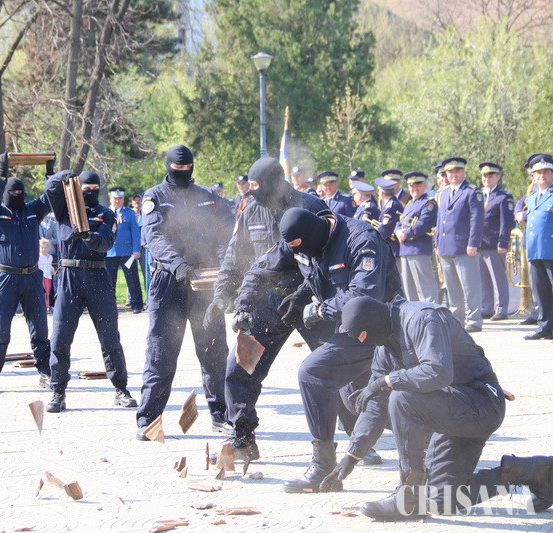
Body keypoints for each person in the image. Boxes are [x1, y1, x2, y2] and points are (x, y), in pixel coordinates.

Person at [327, 296, 553, 521]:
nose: (362, 341)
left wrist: (386, 381)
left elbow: (438, 372)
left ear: (373, 322)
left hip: (480, 404)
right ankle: (537, 471)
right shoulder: (385, 345)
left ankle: (408, 497)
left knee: (401, 398)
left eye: (362, 335)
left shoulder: (422, 318)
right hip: (449, 414)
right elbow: (376, 405)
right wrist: (352, 455)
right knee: (442, 501)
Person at [206, 156, 331, 461]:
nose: (253, 193)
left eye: (258, 186)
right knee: (240, 369)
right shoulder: (251, 210)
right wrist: (222, 295)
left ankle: (361, 437)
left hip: (310, 299)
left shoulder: (311, 206)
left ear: (275, 183)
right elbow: (236, 257)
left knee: (338, 364)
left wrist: (307, 295)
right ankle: (243, 439)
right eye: (250, 187)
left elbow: (328, 260)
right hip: (268, 302)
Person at [276, 208, 402, 493]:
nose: (301, 252)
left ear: (314, 234)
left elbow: (364, 295)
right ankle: (435, 437)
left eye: (301, 247)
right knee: (357, 398)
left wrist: (321, 309)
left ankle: (323, 468)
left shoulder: (361, 240)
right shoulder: (315, 240)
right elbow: (317, 274)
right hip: (351, 325)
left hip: (380, 325)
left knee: (313, 373)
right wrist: (300, 296)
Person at [136, 144, 233, 439]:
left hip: (204, 283)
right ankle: (148, 420)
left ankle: (221, 416)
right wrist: (177, 264)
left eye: (186, 168)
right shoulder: (155, 197)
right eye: (177, 169)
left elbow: (225, 232)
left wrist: (222, 262)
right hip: (169, 282)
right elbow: (154, 236)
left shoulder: (208, 197)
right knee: (161, 353)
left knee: (214, 351)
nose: (181, 173)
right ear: (168, 167)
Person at [43, 169, 136, 411]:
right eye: (86, 189)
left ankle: (121, 389)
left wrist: (88, 236)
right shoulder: (64, 210)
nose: (91, 193)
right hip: (69, 276)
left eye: (95, 189)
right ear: (78, 189)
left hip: (97, 276)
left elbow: (106, 242)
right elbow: (50, 189)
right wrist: (62, 176)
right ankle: (58, 392)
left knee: (110, 337)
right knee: (60, 337)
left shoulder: (106, 214)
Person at [0, 156, 52, 394]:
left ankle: (45, 372)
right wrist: (1, 176)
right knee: (0, 330)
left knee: (40, 330)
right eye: (12, 192)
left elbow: (50, 198)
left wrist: (50, 175)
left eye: (20, 192)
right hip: (6, 279)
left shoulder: (32, 211)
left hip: (32, 276)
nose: (16, 194)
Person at [436, 157, 485, 332]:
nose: (454, 174)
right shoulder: (444, 193)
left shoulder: (472, 191)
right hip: (446, 247)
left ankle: (474, 320)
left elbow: (477, 219)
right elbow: (440, 220)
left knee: (470, 285)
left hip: (464, 247)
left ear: (463, 172)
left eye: (457, 171)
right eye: (450, 172)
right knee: (452, 287)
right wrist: (438, 243)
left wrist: (473, 242)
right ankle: (457, 320)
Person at [394, 172, 440, 303]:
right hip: (405, 250)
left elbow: (424, 223)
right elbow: (400, 221)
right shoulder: (409, 204)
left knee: (426, 289)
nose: (414, 189)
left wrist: (406, 234)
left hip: (419, 250)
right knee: (410, 290)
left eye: (417, 185)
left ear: (424, 186)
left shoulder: (429, 203)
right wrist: (397, 231)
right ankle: (415, 315)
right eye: (411, 186)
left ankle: (430, 314)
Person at [477, 162, 513, 322]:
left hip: (494, 244)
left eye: (490, 175)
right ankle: (487, 307)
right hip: (479, 244)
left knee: (498, 278)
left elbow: (507, 222)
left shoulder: (503, 196)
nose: (487, 178)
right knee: (483, 279)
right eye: (484, 176)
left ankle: (501, 309)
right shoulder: (477, 195)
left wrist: (503, 242)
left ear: (498, 177)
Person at [523, 154, 553, 340]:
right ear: (532, 176)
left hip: (551, 249)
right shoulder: (533, 197)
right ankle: (545, 328)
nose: (542, 175)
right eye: (538, 172)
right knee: (541, 292)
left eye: (546, 171)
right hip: (535, 250)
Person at [106, 187, 144, 314]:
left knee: (133, 279)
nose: (118, 201)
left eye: (120, 199)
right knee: (109, 281)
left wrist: (136, 249)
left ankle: (137, 304)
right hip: (109, 252)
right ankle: (110, 306)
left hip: (127, 252)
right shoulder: (105, 212)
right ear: (110, 199)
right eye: (115, 198)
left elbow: (135, 232)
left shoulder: (129, 213)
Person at [374, 176, 404, 259]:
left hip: (392, 247)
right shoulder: (391, 204)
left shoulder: (391, 206)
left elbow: (383, 229)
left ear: (381, 193)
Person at [39, 239, 54, 309]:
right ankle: (43, 305)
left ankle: (47, 305)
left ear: (49, 248)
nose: (44, 249)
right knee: (42, 291)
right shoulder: (39, 257)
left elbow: (50, 265)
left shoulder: (50, 257)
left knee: (48, 291)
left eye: (45, 248)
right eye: (42, 248)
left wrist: (52, 269)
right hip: (42, 277)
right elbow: (38, 267)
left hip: (48, 277)